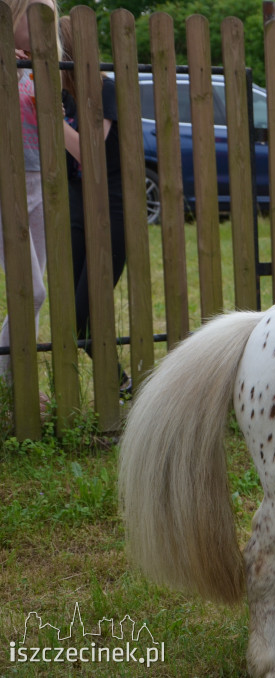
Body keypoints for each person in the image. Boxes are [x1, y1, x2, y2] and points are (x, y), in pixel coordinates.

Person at [58, 15, 131, 395]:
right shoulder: (54, 91)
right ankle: (120, 383)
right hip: (73, 202)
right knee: (72, 312)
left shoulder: (103, 88)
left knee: (86, 308)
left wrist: (48, 114)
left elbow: (89, 151)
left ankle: (121, 383)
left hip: (112, 205)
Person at [0, 0, 61, 394]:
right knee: (32, 290)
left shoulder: (38, 66)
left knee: (33, 288)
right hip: (7, 182)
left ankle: (16, 381)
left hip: (37, 178)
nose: (46, 26)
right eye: (39, 16)